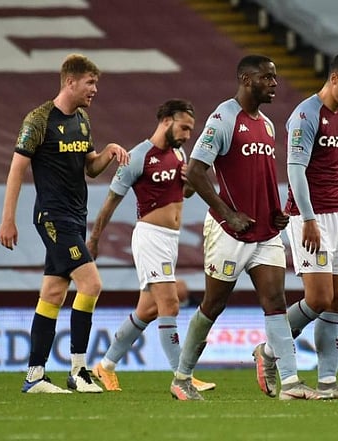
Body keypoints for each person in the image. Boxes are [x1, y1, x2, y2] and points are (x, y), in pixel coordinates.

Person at [172, 55, 327, 401]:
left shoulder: (268, 125)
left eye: (275, 78)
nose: (275, 84)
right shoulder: (223, 118)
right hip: (229, 232)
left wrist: (276, 212)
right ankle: (181, 378)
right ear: (246, 79)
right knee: (213, 305)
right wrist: (229, 213)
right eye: (267, 78)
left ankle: (290, 383)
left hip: (265, 232)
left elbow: (266, 176)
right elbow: (196, 171)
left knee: (275, 301)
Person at [0, 53, 129, 394]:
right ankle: (79, 371)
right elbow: (16, 169)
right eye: (90, 83)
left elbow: (90, 168)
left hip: (75, 217)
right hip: (53, 218)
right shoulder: (38, 120)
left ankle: (35, 377)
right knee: (91, 284)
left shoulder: (83, 120)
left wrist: (109, 151)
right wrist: (8, 219)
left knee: (54, 294)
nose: (94, 89)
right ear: (70, 82)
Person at [252, 51, 338, 401]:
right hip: (309, 218)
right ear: (334, 78)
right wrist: (308, 218)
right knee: (318, 298)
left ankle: (329, 382)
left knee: (337, 301)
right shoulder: (305, 115)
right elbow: (295, 170)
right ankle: (269, 351)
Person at [85, 99, 215, 393]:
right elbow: (111, 201)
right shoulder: (138, 156)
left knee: (147, 310)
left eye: (190, 130)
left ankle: (104, 366)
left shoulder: (179, 154)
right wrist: (94, 239)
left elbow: (187, 193)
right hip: (150, 237)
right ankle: (182, 377)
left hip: (170, 240)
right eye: (184, 128)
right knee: (169, 304)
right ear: (167, 121)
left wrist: (190, 182)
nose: (187, 135)